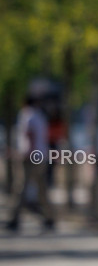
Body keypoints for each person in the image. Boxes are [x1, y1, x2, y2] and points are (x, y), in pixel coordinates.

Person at [6, 95, 55, 232]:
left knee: (20, 187)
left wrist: (27, 153)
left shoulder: (27, 115)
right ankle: (49, 217)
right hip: (41, 156)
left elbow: (29, 134)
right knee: (42, 188)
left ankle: (14, 218)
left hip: (30, 157)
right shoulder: (40, 116)